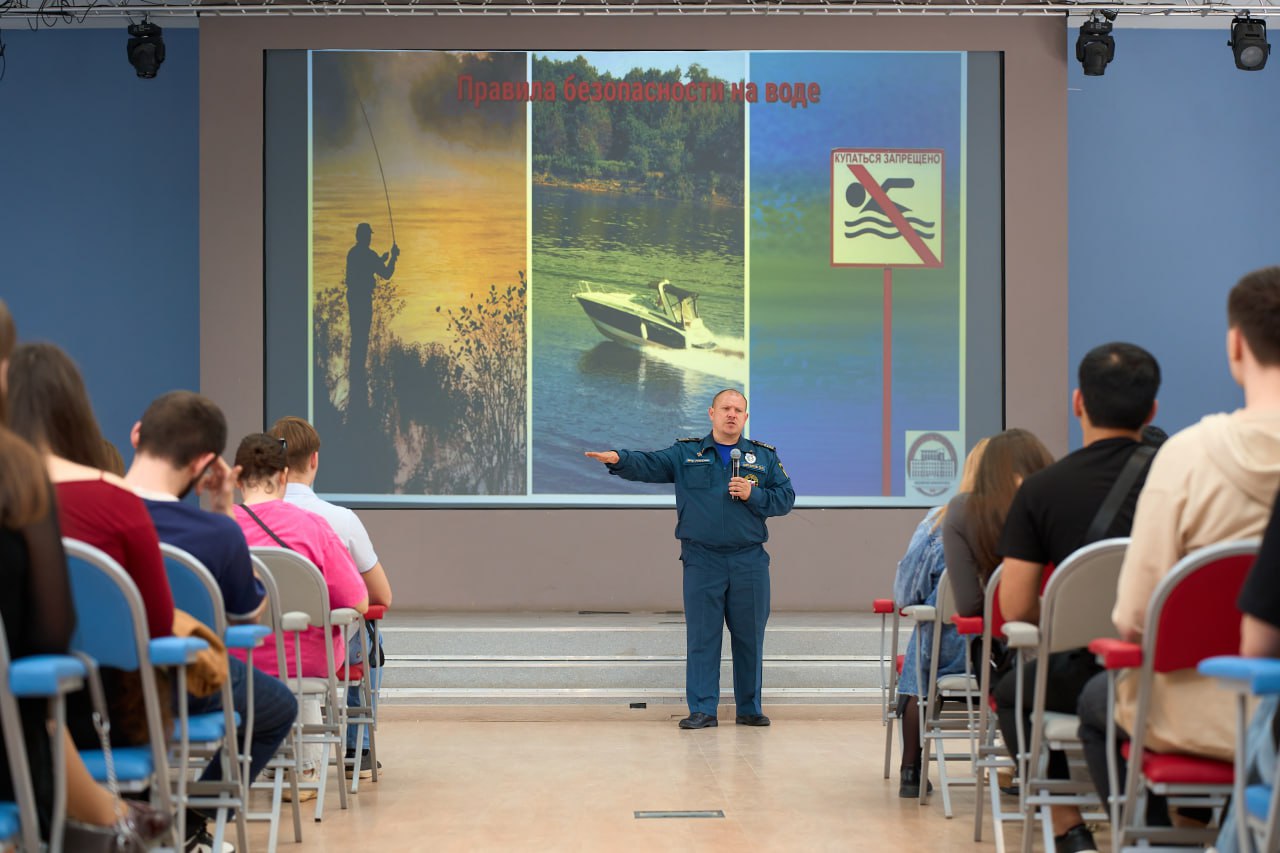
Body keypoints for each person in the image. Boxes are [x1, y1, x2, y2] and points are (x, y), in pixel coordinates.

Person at [1081, 268, 1280, 842]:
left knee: (1097, 701)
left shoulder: (1186, 457)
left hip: (1196, 714)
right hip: (1270, 724)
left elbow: (1134, 618)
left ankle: (1147, 838)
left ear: (1235, 345)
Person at [0, 301, 169, 846]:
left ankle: (113, 815)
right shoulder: (21, 479)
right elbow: (62, 635)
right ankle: (115, 818)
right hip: (63, 725)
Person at [994, 342, 1160, 853]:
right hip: (1168, 667)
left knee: (1012, 692)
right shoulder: (1178, 480)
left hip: (1083, 669)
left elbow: (1015, 608)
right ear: (1152, 410)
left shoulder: (1041, 490)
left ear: (1078, 403)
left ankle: (1068, 826)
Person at [124, 391, 298, 850]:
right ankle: (193, 818)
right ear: (205, 465)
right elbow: (245, 616)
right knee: (279, 707)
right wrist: (223, 514)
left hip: (97, 684)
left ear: (137, 435)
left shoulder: (88, 515)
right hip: (182, 687)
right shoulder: (217, 533)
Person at [585, 389, 795, 729]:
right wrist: (618, 459)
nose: (731, 414)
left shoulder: (763, 457)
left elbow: (785, 498)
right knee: (702, 637)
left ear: (745, 418)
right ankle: (703, 710)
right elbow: (649, 464)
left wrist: (753, 493)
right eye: (725, 408)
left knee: (750, 638)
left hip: (749, 561)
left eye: (738, 410)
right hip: (702, 560)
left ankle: (749, 708)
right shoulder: (686, 453)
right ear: (712, 413)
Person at [268, 415, 390, 779]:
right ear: (314, 459)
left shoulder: (243, 519)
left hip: (261, 646)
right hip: (323, 647)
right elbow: (381, 596)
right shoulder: (340, 519)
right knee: (371, 634)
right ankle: (358, 749)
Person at [892, 437, 988, 798]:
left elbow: (906, 595)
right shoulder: (1024, 523)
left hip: (943, 654)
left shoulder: (938, 521)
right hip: (1000, 653)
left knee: (922, 657)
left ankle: (911, 769)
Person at [940, 428, 1055, 622]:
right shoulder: (1065, 504)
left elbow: (969, 605)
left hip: (1006, 632)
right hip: (1073, 630)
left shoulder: (962, 511)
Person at [345, 222, 399, 412]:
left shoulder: (353, 253)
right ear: (365, 237)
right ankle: (359, 372)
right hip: (363, 299)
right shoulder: (369, 255)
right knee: (363, 335)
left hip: (353, 297)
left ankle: (355, 372)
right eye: (369, 235)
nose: (370, 238)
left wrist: (380, 259)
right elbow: (386, 274)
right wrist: (393, 258)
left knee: (356, 334)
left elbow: (366, 268)